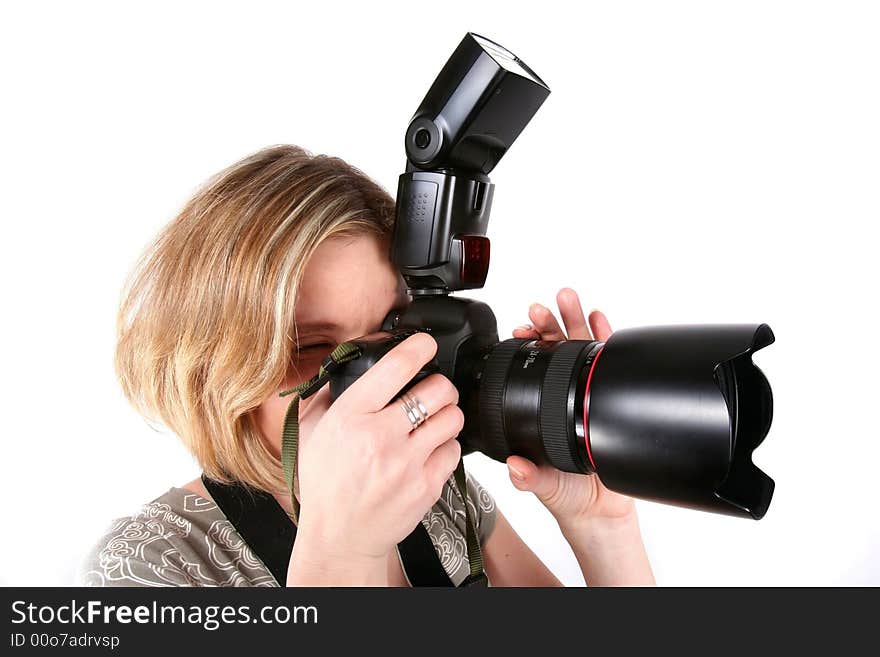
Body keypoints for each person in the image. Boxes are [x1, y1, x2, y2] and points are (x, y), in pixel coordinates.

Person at [80, 145, 655, 587]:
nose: (380, 380)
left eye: (396, 335)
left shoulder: (435, 494)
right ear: (209, 365)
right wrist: (340, 552)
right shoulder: (152, 564)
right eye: (310, 347)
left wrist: (603, 526)